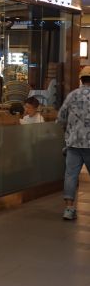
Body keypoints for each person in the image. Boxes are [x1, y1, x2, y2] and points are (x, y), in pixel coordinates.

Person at [57, 66, 90, 221]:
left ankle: (69, 209)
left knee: (70, 176)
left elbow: (61, 117)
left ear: (81, 79)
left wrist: (70, 129)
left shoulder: (72, 95)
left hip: (73, 144)